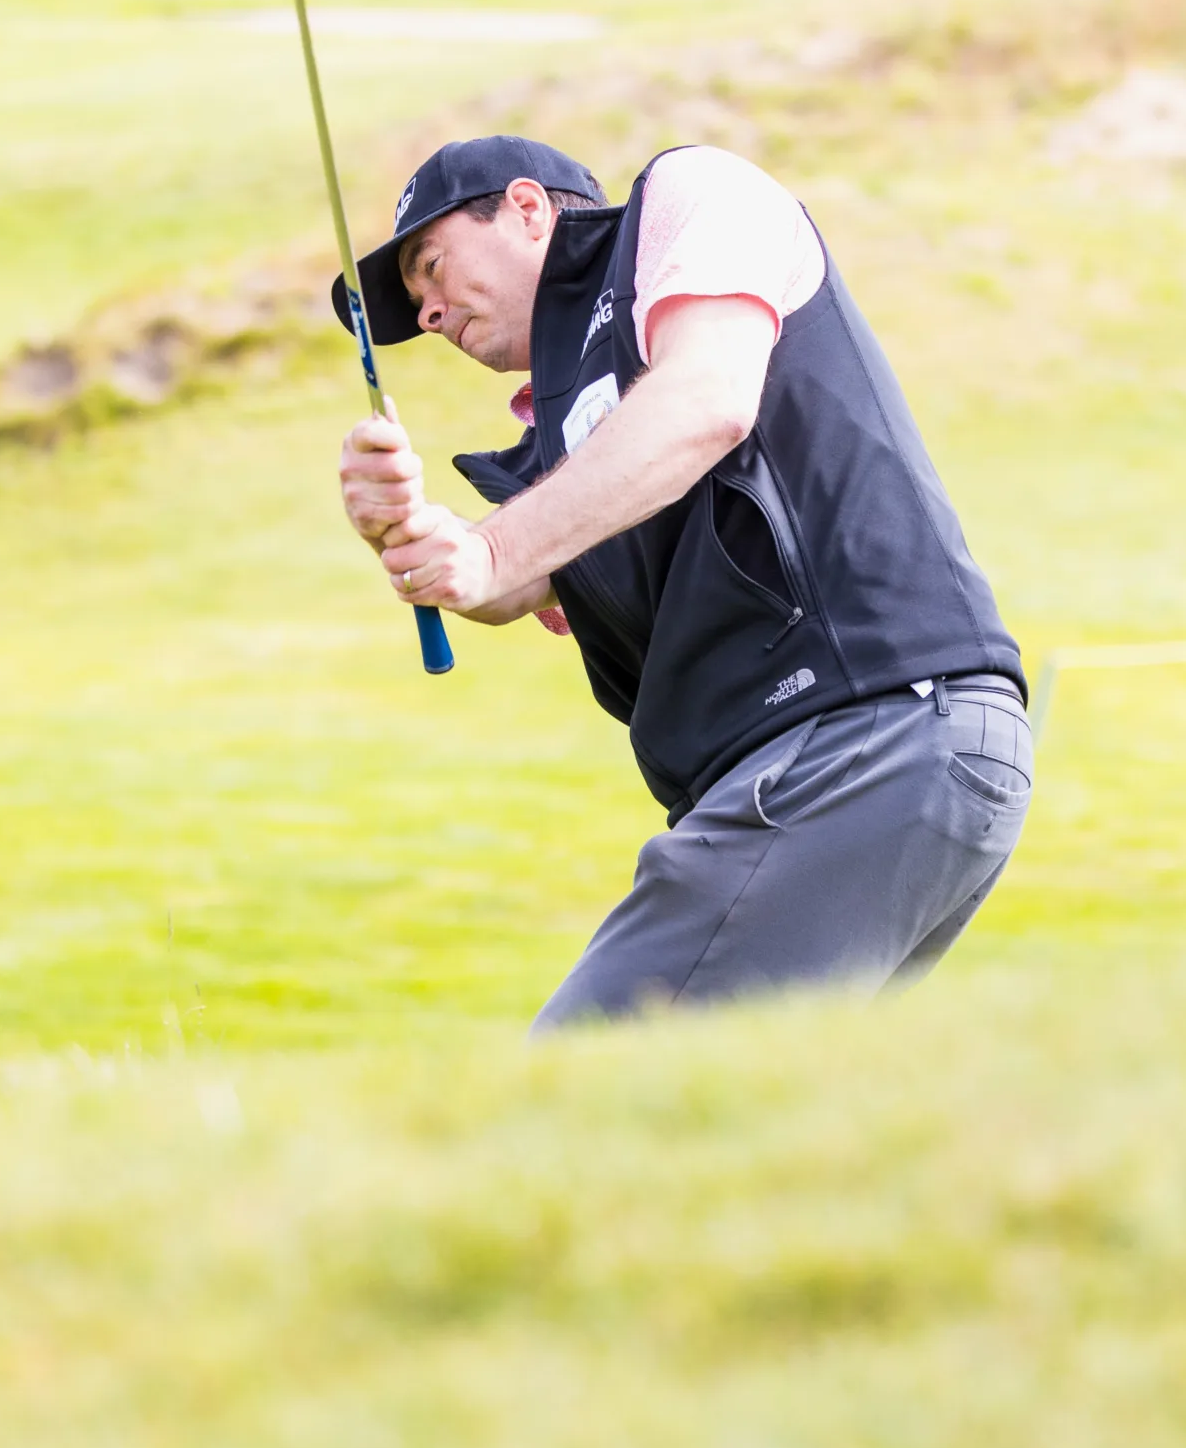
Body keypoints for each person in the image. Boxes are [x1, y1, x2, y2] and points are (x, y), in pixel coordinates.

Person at [332, 136, 1032, 1032]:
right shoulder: (565, 428)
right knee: (734, 1140)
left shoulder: (692, 197)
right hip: (847, 757)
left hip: (860, 734)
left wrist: (494, 551)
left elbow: (707, 398)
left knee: (569, 1097)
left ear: (528, 208)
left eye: (431, 267)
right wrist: (407, 531)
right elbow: (512, 580)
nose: (426, 314)